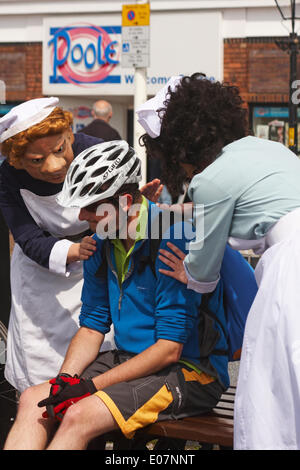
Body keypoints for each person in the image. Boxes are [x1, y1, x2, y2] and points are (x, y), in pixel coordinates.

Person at [3, 140, 255, 450]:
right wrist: (67, 379)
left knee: (79, 414)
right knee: (34, 400)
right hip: (132, 359)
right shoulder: (100, 243)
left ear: (124, 203)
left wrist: (89, 386)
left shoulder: (173, 238)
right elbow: (93, 324)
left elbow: (168, 350)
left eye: (92, 206)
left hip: (191, 371)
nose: (83, 215)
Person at [137, 73, 300, 450]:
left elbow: (204, 269)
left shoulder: (210, 179)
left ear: (179, 143)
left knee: (272, 400)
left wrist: (188, 270)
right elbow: (227, 208)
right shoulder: (269, 150)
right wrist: (162, 212)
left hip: (291, 267)